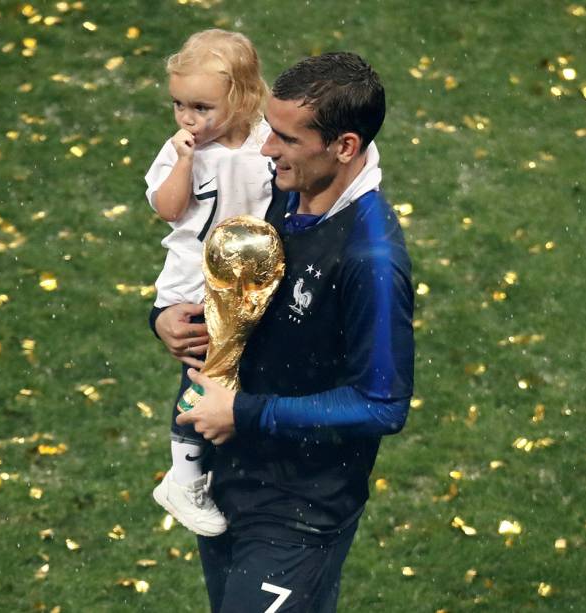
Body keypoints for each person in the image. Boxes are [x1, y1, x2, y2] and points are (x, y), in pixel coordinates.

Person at [151, 52, 414, 612]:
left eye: (287, 139)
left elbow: (382, 404)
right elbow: (212, 272)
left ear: (344, 147)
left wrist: (242, 412)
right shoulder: (282, 188)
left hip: (299, 512)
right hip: (228, 483)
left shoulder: (369, 256)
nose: (267, 149)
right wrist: (164, 320)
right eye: (269, 131)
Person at [144, 29, 273, 537]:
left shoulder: (267, 141)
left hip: (247, 281)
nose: (187, 119)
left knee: (234, 375)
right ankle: (185, 476)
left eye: (201, 106)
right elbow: (168, 209)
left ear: (242, 97)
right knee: (202, 374)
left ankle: (222, 461)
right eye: (179, 105)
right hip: (194, 285)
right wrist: (182, 160)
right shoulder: (186, 151)